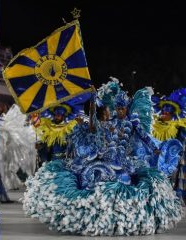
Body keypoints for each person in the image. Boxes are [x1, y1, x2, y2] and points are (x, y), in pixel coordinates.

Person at [23, 80, 183, 236]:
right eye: (118, 108)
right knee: (88, 181)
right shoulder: (110, 121)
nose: (120, 111)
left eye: (122, 109)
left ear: (126, 109)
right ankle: (88, 216)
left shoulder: (132, 122)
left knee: (121, 185)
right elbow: (94, 126)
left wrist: (155, 149)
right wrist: (92, 102)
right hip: (104, 159)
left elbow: (144, 136)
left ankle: (118, 218)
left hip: (122, 162)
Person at [152, 88, 186, 203]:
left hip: (169, 161)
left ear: (172, 114)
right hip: (153, 157)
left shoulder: (177, 124)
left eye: (167, 113)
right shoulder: (154, 121)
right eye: (163, 112)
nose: (164, 114)